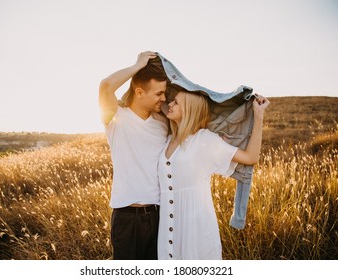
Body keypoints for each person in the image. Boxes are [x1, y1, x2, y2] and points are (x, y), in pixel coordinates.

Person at [157, 89, 270, 260]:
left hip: (196, 229)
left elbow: (250, 157)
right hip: (167, 229)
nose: (170, 104)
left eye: (176, 102)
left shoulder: (205, 140)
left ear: (189, 109)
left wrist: (258, 115)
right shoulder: (167, 139)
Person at [98, 51, 168, 260]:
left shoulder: (164, 123)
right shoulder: (116, 118)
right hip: (127, 217)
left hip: (159, 215)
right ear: (139, 92)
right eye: (158, 94)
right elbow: (106, 86)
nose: (164, 98)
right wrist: (138, 65)